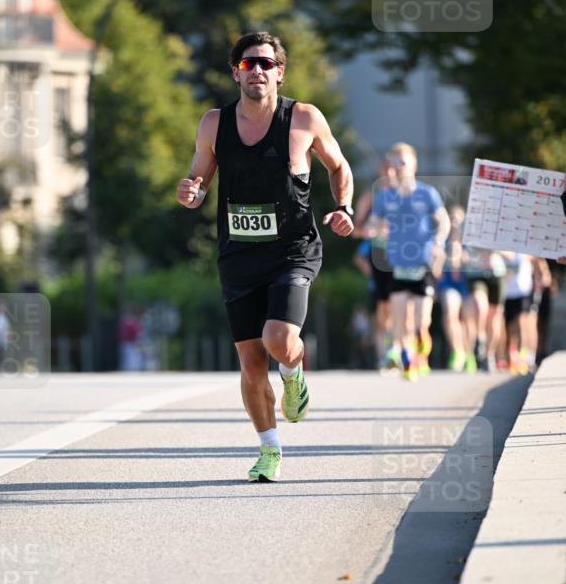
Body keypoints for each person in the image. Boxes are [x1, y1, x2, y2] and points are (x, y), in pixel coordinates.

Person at [176, 31, 354, 481]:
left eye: (266, 63)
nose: (258, 70)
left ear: (280, 72)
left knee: (278, 340)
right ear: (235, 71)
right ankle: (269, 450)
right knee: (252, 364)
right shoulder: (213, 124)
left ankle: (293, 375)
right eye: (248, 63)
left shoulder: (304, 118)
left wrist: (343, 206)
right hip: (238, 257)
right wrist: (191, 192)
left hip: (292, 250)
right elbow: (198, 179)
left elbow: (338, 166)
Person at [369, 142, 450, 381]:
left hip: (423, 263)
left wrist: (439, 241)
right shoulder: (385, 195)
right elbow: (374, 223)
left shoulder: (427, 193)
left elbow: (443, 221)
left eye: (402, 162)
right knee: (401, 318)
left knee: (421, 322)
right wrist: (378, 229)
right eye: (394, 163)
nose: (398, 167)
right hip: (398, 265)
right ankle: (408, 360)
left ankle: (418, 349)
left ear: (414, 165)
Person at [353, 155, 396, 370]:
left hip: (404, 256)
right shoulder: (370, 196)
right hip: (380, 255)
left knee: (403, 303)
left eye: (393, 169)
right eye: (386, 168)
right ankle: (384, 354)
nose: (389, 173)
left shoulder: (408, 194)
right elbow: (355, 230)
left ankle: (400, 350)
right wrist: (369, 231)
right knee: (383, 307)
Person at [438, 205, 476, 373]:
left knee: (468, 320)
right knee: (449, 313)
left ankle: (470, 353)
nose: (455, 222)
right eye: (452, 218)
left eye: (458, 219)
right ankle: (457, 351)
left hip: (467, 285)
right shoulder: (441, 240)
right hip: (448, 284)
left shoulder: (470, 242)